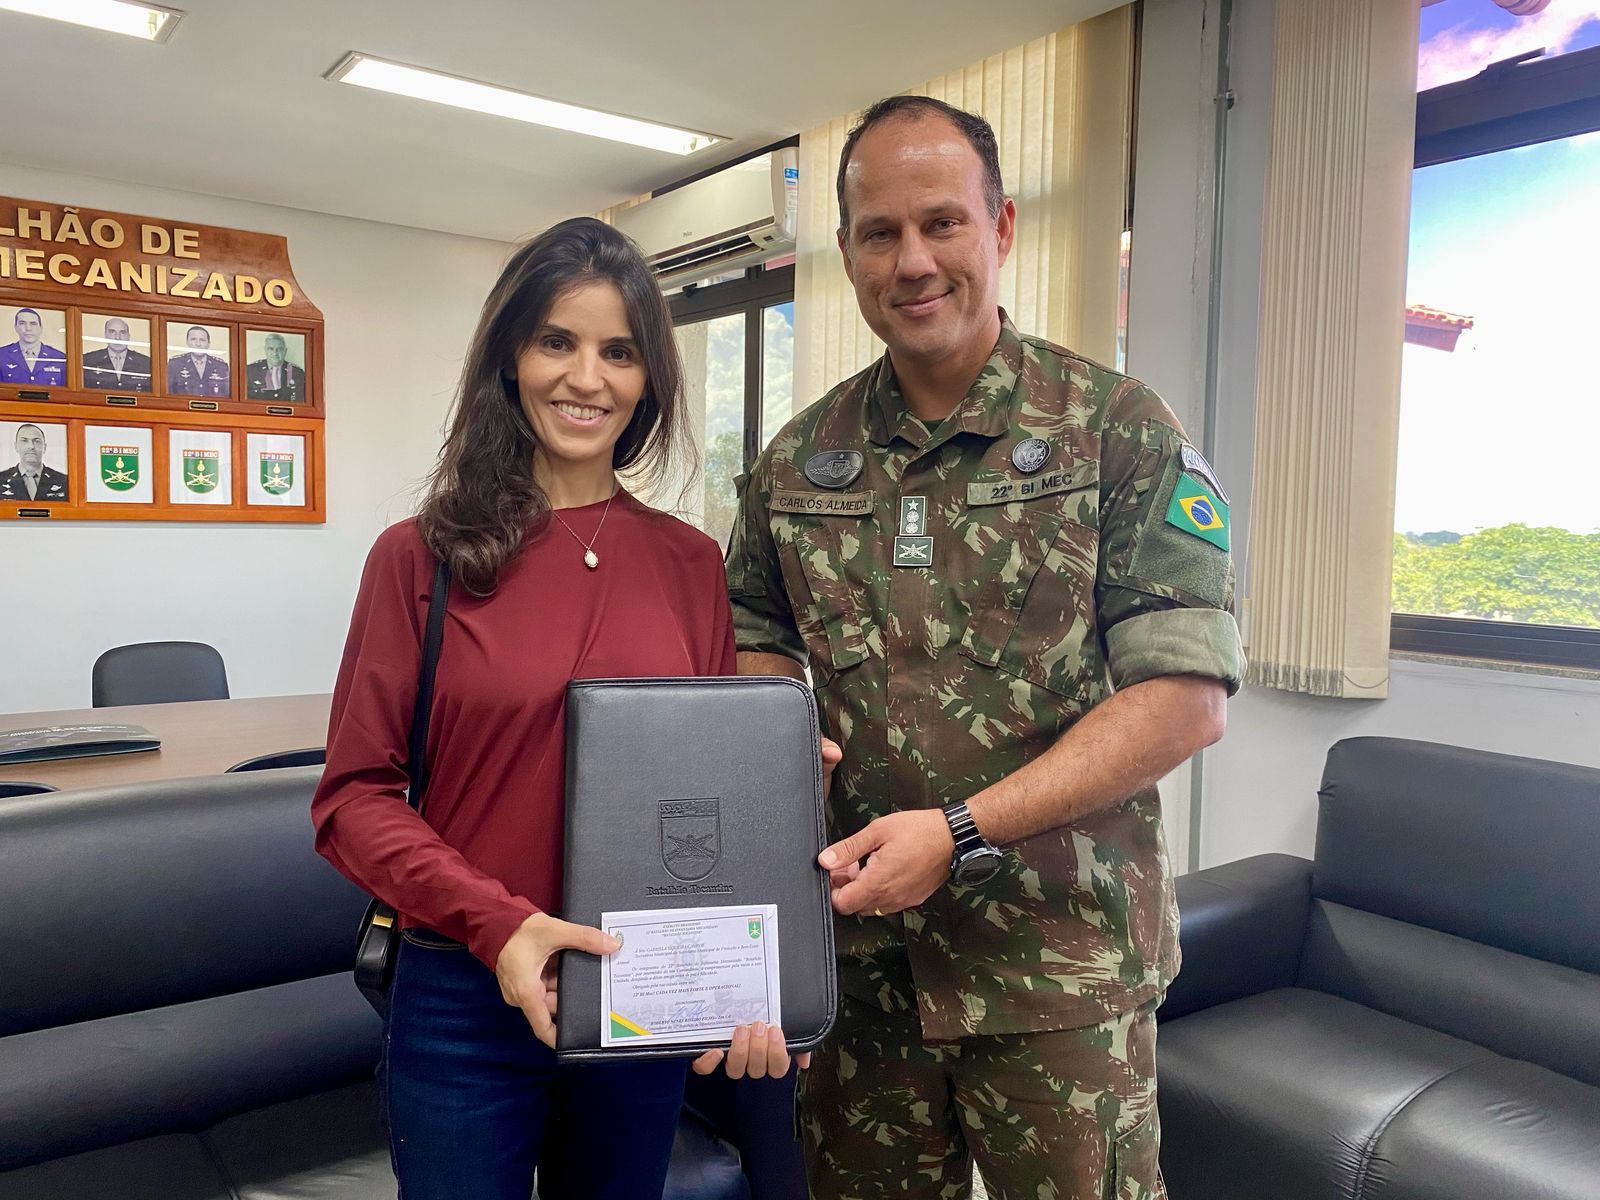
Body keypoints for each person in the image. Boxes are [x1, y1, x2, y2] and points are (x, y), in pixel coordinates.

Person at [724, 96, 1245, 1200]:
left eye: (942, 222)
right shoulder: (796, 462)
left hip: (1058, 974)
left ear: (1000, 227)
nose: (912, 261)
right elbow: (750, 641)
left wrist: (959, 831)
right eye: (880, 233)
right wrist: (776, 742)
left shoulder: (1115, 429)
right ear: (848, 254)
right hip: (859, 971)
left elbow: (1185, 695)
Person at [311, 217, 803, 1200]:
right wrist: (500, 926)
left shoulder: (689, 563)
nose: (588, 378)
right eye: (556, 342)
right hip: (460, 994)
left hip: (636, 986)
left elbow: (705, 805)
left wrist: (745, 982)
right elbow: (352, 802)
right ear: (510, 357)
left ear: (649, 377)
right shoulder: (417, 558)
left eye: (619, 351)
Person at [82, 316, 153, 392]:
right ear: (105, 335)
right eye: (112, 332)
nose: (117, 337)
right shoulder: (88, 360)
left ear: (129, 336)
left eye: (122, 332)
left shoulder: (145, 362)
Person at [0, 423, 68, 502]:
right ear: (16, 446)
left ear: (44, 447)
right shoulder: (1, 479)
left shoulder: (64, 481)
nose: (31, 446)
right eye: (24, 441)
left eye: (36, 441)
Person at [0, 308, 67, 386]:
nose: (28, 328)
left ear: (41, 328)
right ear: (15, 327)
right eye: (22, 323)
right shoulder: (2, 354)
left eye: (33, 323)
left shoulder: (59, 357)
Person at [167, 326, 230, 396]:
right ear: (187, 342)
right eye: (193, 339)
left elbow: (227, 395)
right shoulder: (175, 364)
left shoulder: (220, 366)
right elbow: (169, 393)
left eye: (202, 340)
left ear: (208, 343)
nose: (198, 344)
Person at [246, 333, 306, 401]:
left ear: (285, 351)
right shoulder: (250, 371)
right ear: (265, 350)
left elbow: (301, 400)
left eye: (279, 349)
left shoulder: (297, 373)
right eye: (271, 349)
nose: (275, 353)